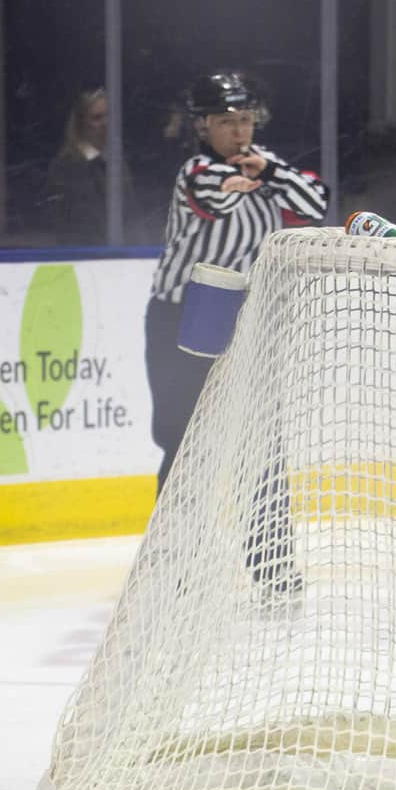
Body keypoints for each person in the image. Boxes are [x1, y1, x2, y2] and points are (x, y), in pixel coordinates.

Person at [145, 71, 328, 591]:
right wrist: (241, 180)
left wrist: (268, 172)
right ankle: (177, 564)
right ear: (203, 126)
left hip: (248, 321)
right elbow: (213, 194)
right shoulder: (196, 169)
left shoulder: (267, 167)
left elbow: (314, 202)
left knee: (263, 446)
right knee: (184, 445)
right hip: (181, 320)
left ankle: (273, 569)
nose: (238, 131)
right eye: (226, 121)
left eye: (245, 119)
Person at [42, 88, 135, 245]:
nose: (105, 124)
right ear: (81, 123)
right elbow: (65, 223)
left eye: (108, 117)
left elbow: (132, 215)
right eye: (96, 118)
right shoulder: (65, 166)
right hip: (81, 257)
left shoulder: (118, 164)